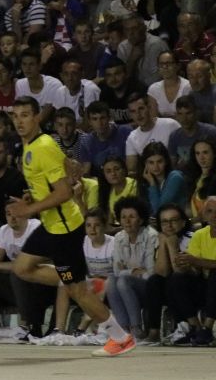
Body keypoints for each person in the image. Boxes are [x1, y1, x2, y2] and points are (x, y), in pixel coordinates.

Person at [8, 96, 135, 356]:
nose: (19, 121)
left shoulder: (42, 146)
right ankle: (87, 283)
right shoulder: (34, 144)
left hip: (64, 230)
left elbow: (65, 192)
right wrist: (36, 197)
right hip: (51, 225)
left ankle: (121, 338)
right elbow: (66, 168)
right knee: (22, 268)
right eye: (15, 116)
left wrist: (28, 210)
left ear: (37, 118)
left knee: (76, 291)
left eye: (25, 115)